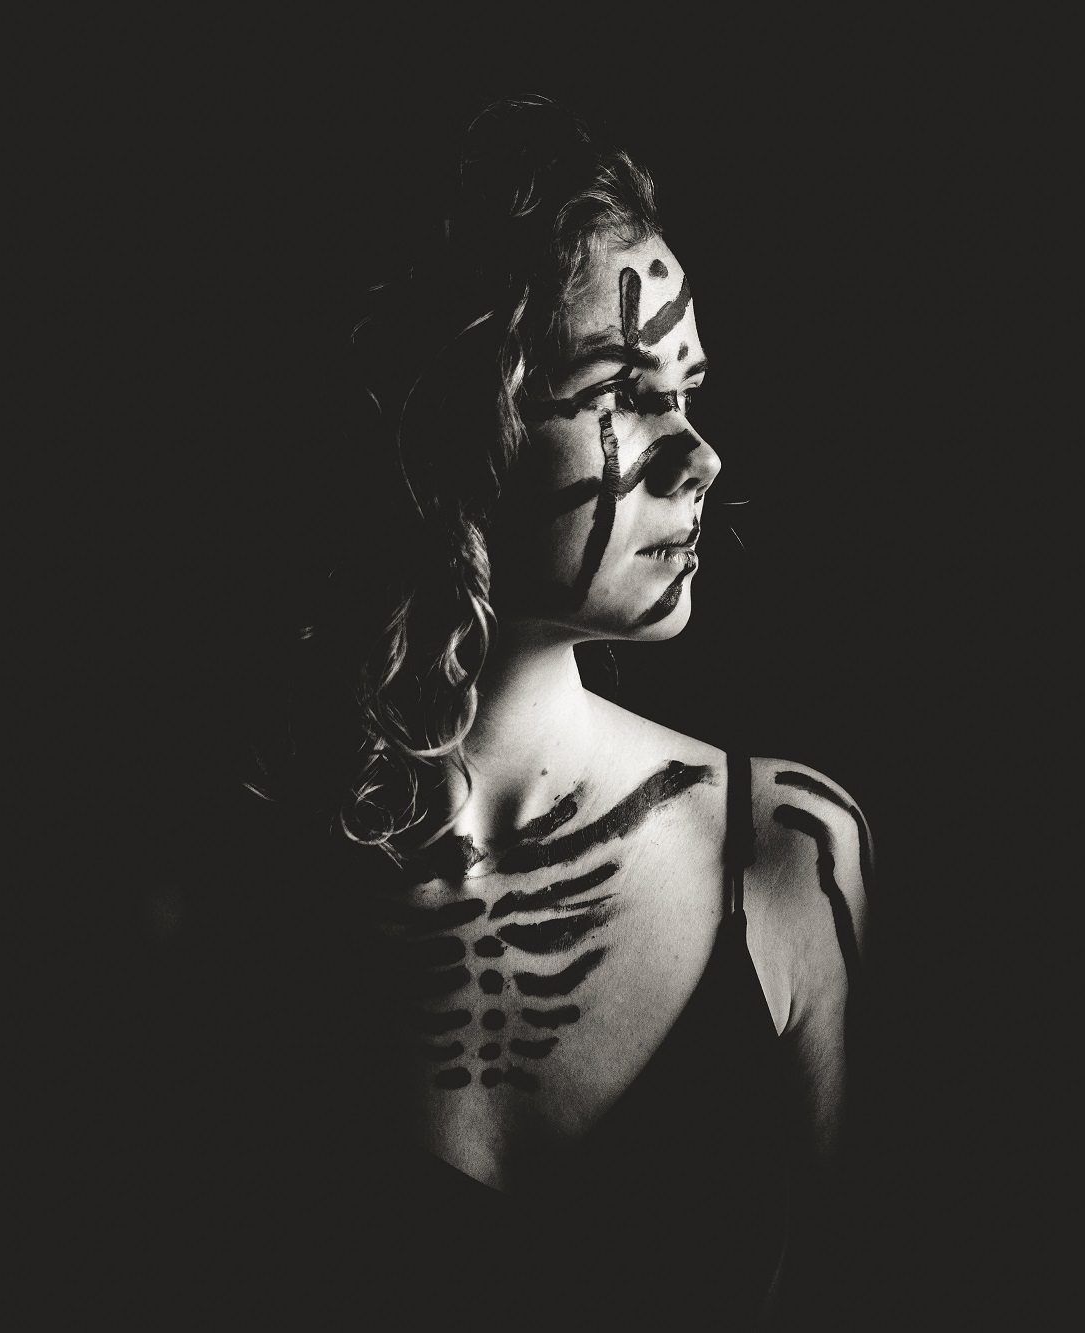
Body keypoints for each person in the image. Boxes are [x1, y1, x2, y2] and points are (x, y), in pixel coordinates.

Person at [273, 95, 873, 1328]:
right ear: (455, 420)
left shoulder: (785, 854)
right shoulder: (247, 876)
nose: (698, 456)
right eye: (622, 389)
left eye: (688, 390)